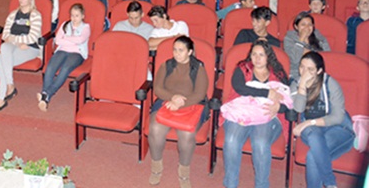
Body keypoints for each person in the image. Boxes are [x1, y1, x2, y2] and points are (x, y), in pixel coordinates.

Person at [222, 40, 290, 188]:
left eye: (261, 55)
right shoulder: (243, 68)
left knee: (260, 143)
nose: (257, 58)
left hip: (268, 114)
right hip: (242, 111)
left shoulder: (277, 73)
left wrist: (279, 106)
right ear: (250, 56)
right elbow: (240, 89)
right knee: (232, 140)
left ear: (268, 57)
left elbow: (289, 99)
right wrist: (267, 92)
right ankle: (231, 183)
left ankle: (262, 185)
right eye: (254, 54)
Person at [148, 36, 209, 188]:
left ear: (190, 52)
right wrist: (172, 98)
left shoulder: (199, 68)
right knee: (155, 129)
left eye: (181, 50)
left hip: (192, 105)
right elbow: (158, 89)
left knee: (187, 135)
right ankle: (156, 168)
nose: (176, 53)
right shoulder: (166, 66)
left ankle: (184, 172)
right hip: (166, 102)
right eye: (175, 50)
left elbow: (200, 94)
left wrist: (180, 103)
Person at [290, 52, 355, 188]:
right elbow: (299, 108)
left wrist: (309, 122)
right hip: (313, 131)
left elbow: (337, 117)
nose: (304, 72)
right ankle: (331, 183)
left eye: (310, 69)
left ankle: (329, 182)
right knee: (314, 135)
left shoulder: (330, 84)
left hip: (338, 128)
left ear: (319, 71)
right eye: (302, 67)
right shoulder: (295, 84)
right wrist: (302, 86)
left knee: (313, 157)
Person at [0, 0, 42, 111]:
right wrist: (18, 41)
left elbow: (32, 38)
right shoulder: (13, 15)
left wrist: (15, 40)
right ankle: (10, 85)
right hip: (15, 46)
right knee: (4, 47)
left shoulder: (35, 15)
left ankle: (1, 97)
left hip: (31, 48)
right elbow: (5, 35)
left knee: (1, 61)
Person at [37, 3, 90, 111]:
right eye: (72, 15)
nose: (74, 18)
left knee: (65, 68)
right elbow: (57, 40)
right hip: (62, 50)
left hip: (77, 53)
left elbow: (80, 40)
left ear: (82, 16)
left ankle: (47, 94)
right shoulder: (65, 25)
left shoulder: (86, 27)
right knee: (51, 67)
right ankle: (45, 96)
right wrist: (72, 40)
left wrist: (65, 38)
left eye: (77, 16)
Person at [283, 12, 331, 82]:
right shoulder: (289, 38)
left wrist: (307, 53)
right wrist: (301, 39)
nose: (307, 28)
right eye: (303, 24)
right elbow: (295, 60)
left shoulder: (319, 37)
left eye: (310, 25)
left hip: (316, 75)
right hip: (296, 75)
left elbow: (327, 57)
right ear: (296, 27)